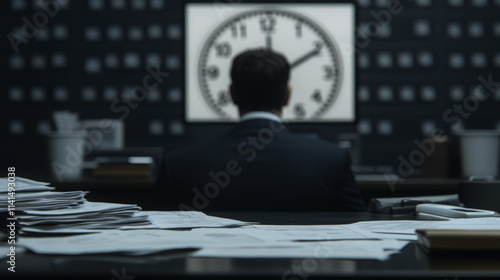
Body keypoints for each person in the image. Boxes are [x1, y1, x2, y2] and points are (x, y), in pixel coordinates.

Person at [154, 49, 366, 211]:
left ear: (232, 94)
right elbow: (359, 231)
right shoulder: (332, 160)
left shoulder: (177, 165)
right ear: (287, 96)